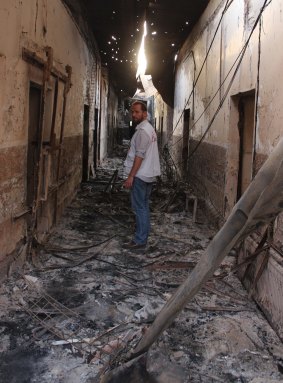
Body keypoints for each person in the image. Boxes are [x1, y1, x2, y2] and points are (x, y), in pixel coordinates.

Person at [123, 101, 161, 249]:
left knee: (139, 207)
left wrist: (131, 176)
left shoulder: (143, 131)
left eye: (137, 112)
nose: (134, 114)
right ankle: (142, 237)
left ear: (145, 113)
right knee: (143, 207)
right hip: (148, 174)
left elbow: (139, 156)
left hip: (140, 175)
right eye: (133, 112)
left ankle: (140, 239)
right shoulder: (149, 129)